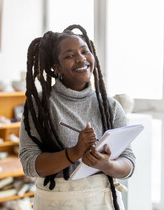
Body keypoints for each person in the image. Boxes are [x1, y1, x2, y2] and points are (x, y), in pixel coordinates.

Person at [18, 24, 135, 210]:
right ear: (57, 67)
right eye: (70, 56)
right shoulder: (39, 106)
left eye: (84, 51)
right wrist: (74, 152)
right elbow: (29, 164)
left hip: (102, 203)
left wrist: (107, 165)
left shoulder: (110, 106)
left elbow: (129, 163)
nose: (81, 58)